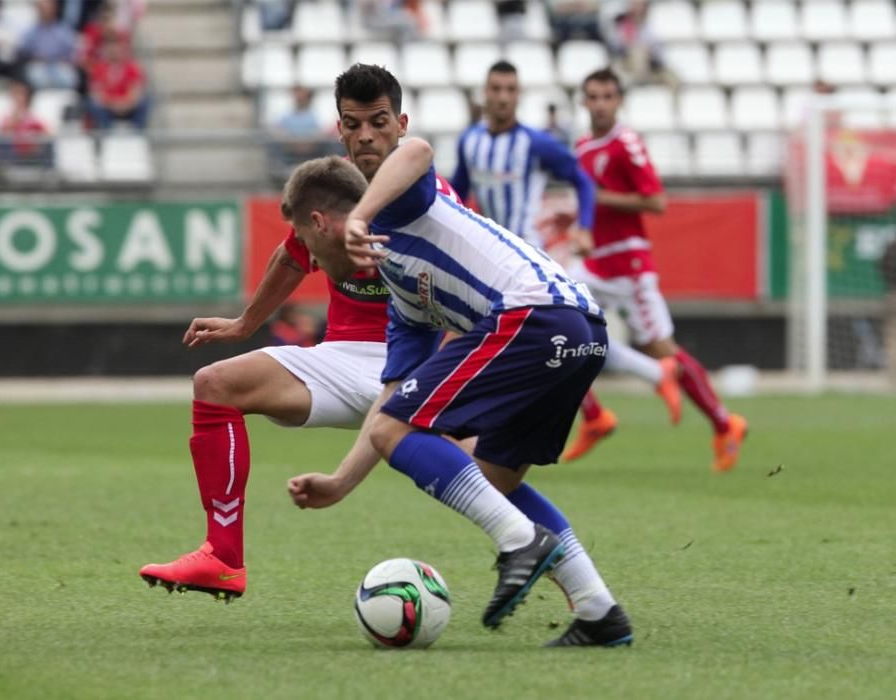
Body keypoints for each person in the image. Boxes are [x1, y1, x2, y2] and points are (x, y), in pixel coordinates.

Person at [282, 148, 632, 646]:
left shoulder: (400, 215)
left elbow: (419, 151)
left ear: (318, 223)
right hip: (584, 332)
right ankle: (600, 613)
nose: (310, 260)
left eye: (304, 242)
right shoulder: (403, 294)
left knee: (407, 437)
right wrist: (341, 482)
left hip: (535, 317)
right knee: (490, 477)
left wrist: (359, 215)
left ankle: (520, 541)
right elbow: (390, 398)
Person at [138, 63, 460, 603]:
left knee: (490, 475)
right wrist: (246, 324)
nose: (365, 135)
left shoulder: (432, 197)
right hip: (341, 360)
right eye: (353, 123)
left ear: (401, 125)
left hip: (417, 367)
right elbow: (293, 253)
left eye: (378, 122)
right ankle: (222, 558)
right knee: (214, 383)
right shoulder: (333, 193)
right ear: (339, 128)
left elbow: (464, 293)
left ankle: (549, 555)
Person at [452, 60, 681, 460]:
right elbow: (458, 191)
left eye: (510, 89)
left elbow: (582, 180)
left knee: (532, 338)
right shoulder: (470, 142)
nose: (503, 96)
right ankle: (599, 409)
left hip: (524, 255)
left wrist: (586, 226)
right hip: (485, 255)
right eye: (496, 89)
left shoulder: (535, 144)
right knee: (546, 339)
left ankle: (466, 423)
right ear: (485, 94)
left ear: (518, 95)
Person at [566, 67, 747, 471]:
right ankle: (593, 417)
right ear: (583, 101)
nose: (599, 104)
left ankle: (724, 422)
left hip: (629, 265)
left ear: (619, 101)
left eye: (607, 96)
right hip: (595, 261)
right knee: (555, 319)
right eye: (592, 96)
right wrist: (583, 228)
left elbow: (656, 201)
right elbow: (590, 203)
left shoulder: (626, 144)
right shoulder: (581, 146)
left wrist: (603, 198)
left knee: (664, 350)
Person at [86, 32, 148, 130]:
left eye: (116, 46)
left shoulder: (132, 68)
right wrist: (113, 104)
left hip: (128, 107)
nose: (113, 50)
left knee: (144, 102)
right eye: (110, 46)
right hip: (107, 108)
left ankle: (138, 134)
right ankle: (104, 135)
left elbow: (136, 92)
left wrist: (124, 104)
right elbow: (97, 94)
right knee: (94, 105)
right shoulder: (98, 69)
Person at [20, 0, 79, 90]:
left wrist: (60, 59)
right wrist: (37, 57)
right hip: (39, 67)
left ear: (55, 9)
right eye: (42, 9)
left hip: (60, 66)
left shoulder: (64, 30)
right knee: (33, 73)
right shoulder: (31, 32)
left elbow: (73, 53)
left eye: (48, 8)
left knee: (71, 77)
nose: (45, 11)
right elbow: (24, 52)